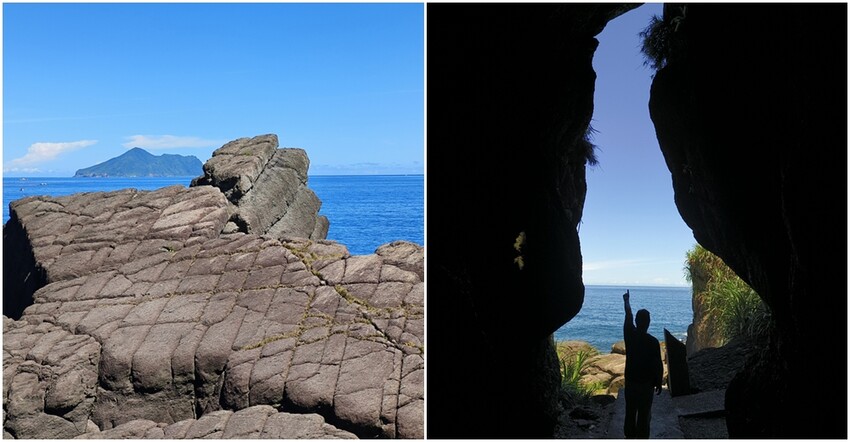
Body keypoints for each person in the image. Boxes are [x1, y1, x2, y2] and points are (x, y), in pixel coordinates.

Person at [622, 290, 664, 439]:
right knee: (644, 415)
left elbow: (628, 316)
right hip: (646, 385)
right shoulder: (653, 342)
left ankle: (629, 437)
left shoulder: (629, 334)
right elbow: (657, 364)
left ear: (637, 322)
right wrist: (658, 381)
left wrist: (626, 301)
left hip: (631, 382)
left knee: (630, 412)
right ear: (648, 323)